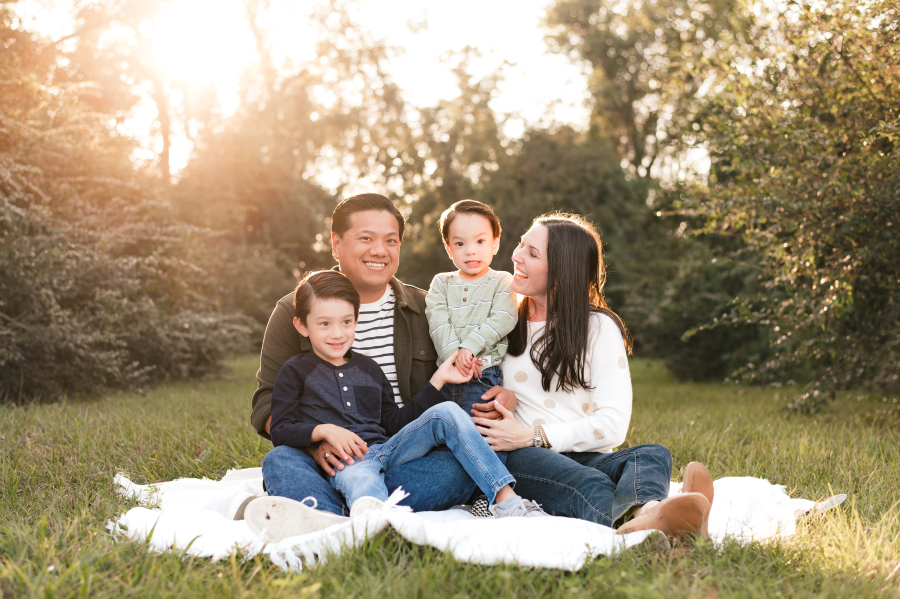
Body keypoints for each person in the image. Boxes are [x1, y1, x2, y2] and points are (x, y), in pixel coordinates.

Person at [245, 193, 517, 534]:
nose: (380, 250)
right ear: (336, 243)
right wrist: (317, 445)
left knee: (467, 461)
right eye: (366, 238)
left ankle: (328, 514)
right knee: (281, 460)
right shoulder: (295, 310)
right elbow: (268, 405)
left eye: (391, 241)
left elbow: (494, 353)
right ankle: (352, 512)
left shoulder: (428, 306)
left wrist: (508, 394)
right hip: (325, 459)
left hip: (407, 456)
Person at [471, 213, 714, 541]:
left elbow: (612, 426)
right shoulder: (501, 322)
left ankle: (651, 514)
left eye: (532, 252)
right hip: (519, 458)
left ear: (561, 271)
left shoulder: (598, 328)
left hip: (574, 451)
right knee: (590, 484)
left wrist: (532, 434)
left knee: (652, 455)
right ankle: (651, 521)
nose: (515, 256)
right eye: (520, 245)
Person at [269, 270, 545, 520]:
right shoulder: (295, 370)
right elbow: (281, 429)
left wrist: (439, 380)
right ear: (302, 326)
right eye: (324, 324)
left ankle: (506, 500)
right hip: (347, 462)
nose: (338, 333)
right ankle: (364, 521)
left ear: (356, 319)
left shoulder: (369, 369)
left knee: (448, 412)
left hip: (387, 452)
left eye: (346, 322)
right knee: (342, 474)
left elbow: (395, 423)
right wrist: (324, 431)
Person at [425, 200, 517, 414]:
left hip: (483, 376)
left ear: (495, 243)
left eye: (480, 241)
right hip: (445, 377)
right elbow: (438, 323)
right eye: (460, 244)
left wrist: (469, 348)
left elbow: (504, 318)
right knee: (443, 436)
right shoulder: (441, 283)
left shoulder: (502, 280)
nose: (470, 251)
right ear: (449, 248)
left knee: (479, 437)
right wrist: (456, 358)